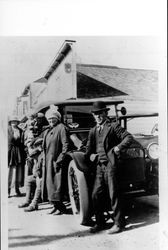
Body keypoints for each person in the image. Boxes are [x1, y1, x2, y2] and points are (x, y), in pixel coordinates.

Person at [85, 101, 133, 234]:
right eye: (95, 114)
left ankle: (119, 224)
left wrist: (118, 148)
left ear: (105, 113)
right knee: (95, 194)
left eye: (100, 113)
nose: (98, 116)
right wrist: (91, 156)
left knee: (114, 194)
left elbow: (128, 137)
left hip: (112, 165)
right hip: (100, 167)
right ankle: (100, 223)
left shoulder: (113, 126)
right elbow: (88, 150)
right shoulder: (93, 130)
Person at [42, 108, 70, 215]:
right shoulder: (48, 130)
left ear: (57, 118)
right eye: (49, 119)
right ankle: (55, 206)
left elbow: (66, 145)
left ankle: (61, 207)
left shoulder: (62, 128)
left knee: (57, 185)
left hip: (56, 162)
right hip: (48, 162)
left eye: (53, 118)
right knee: (50, 186)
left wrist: (60, 159)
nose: (51, 121)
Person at [8, 116, 26, 197]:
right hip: (10, 151)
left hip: (18, 152)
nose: (14, 123)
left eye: (15, 122)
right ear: (10, 122)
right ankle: (7, 190)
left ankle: (17, 188)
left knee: (18, 170)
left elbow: (22, 142)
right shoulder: (7, 130)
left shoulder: (21, 131)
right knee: (10, 171)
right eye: (12, 122)